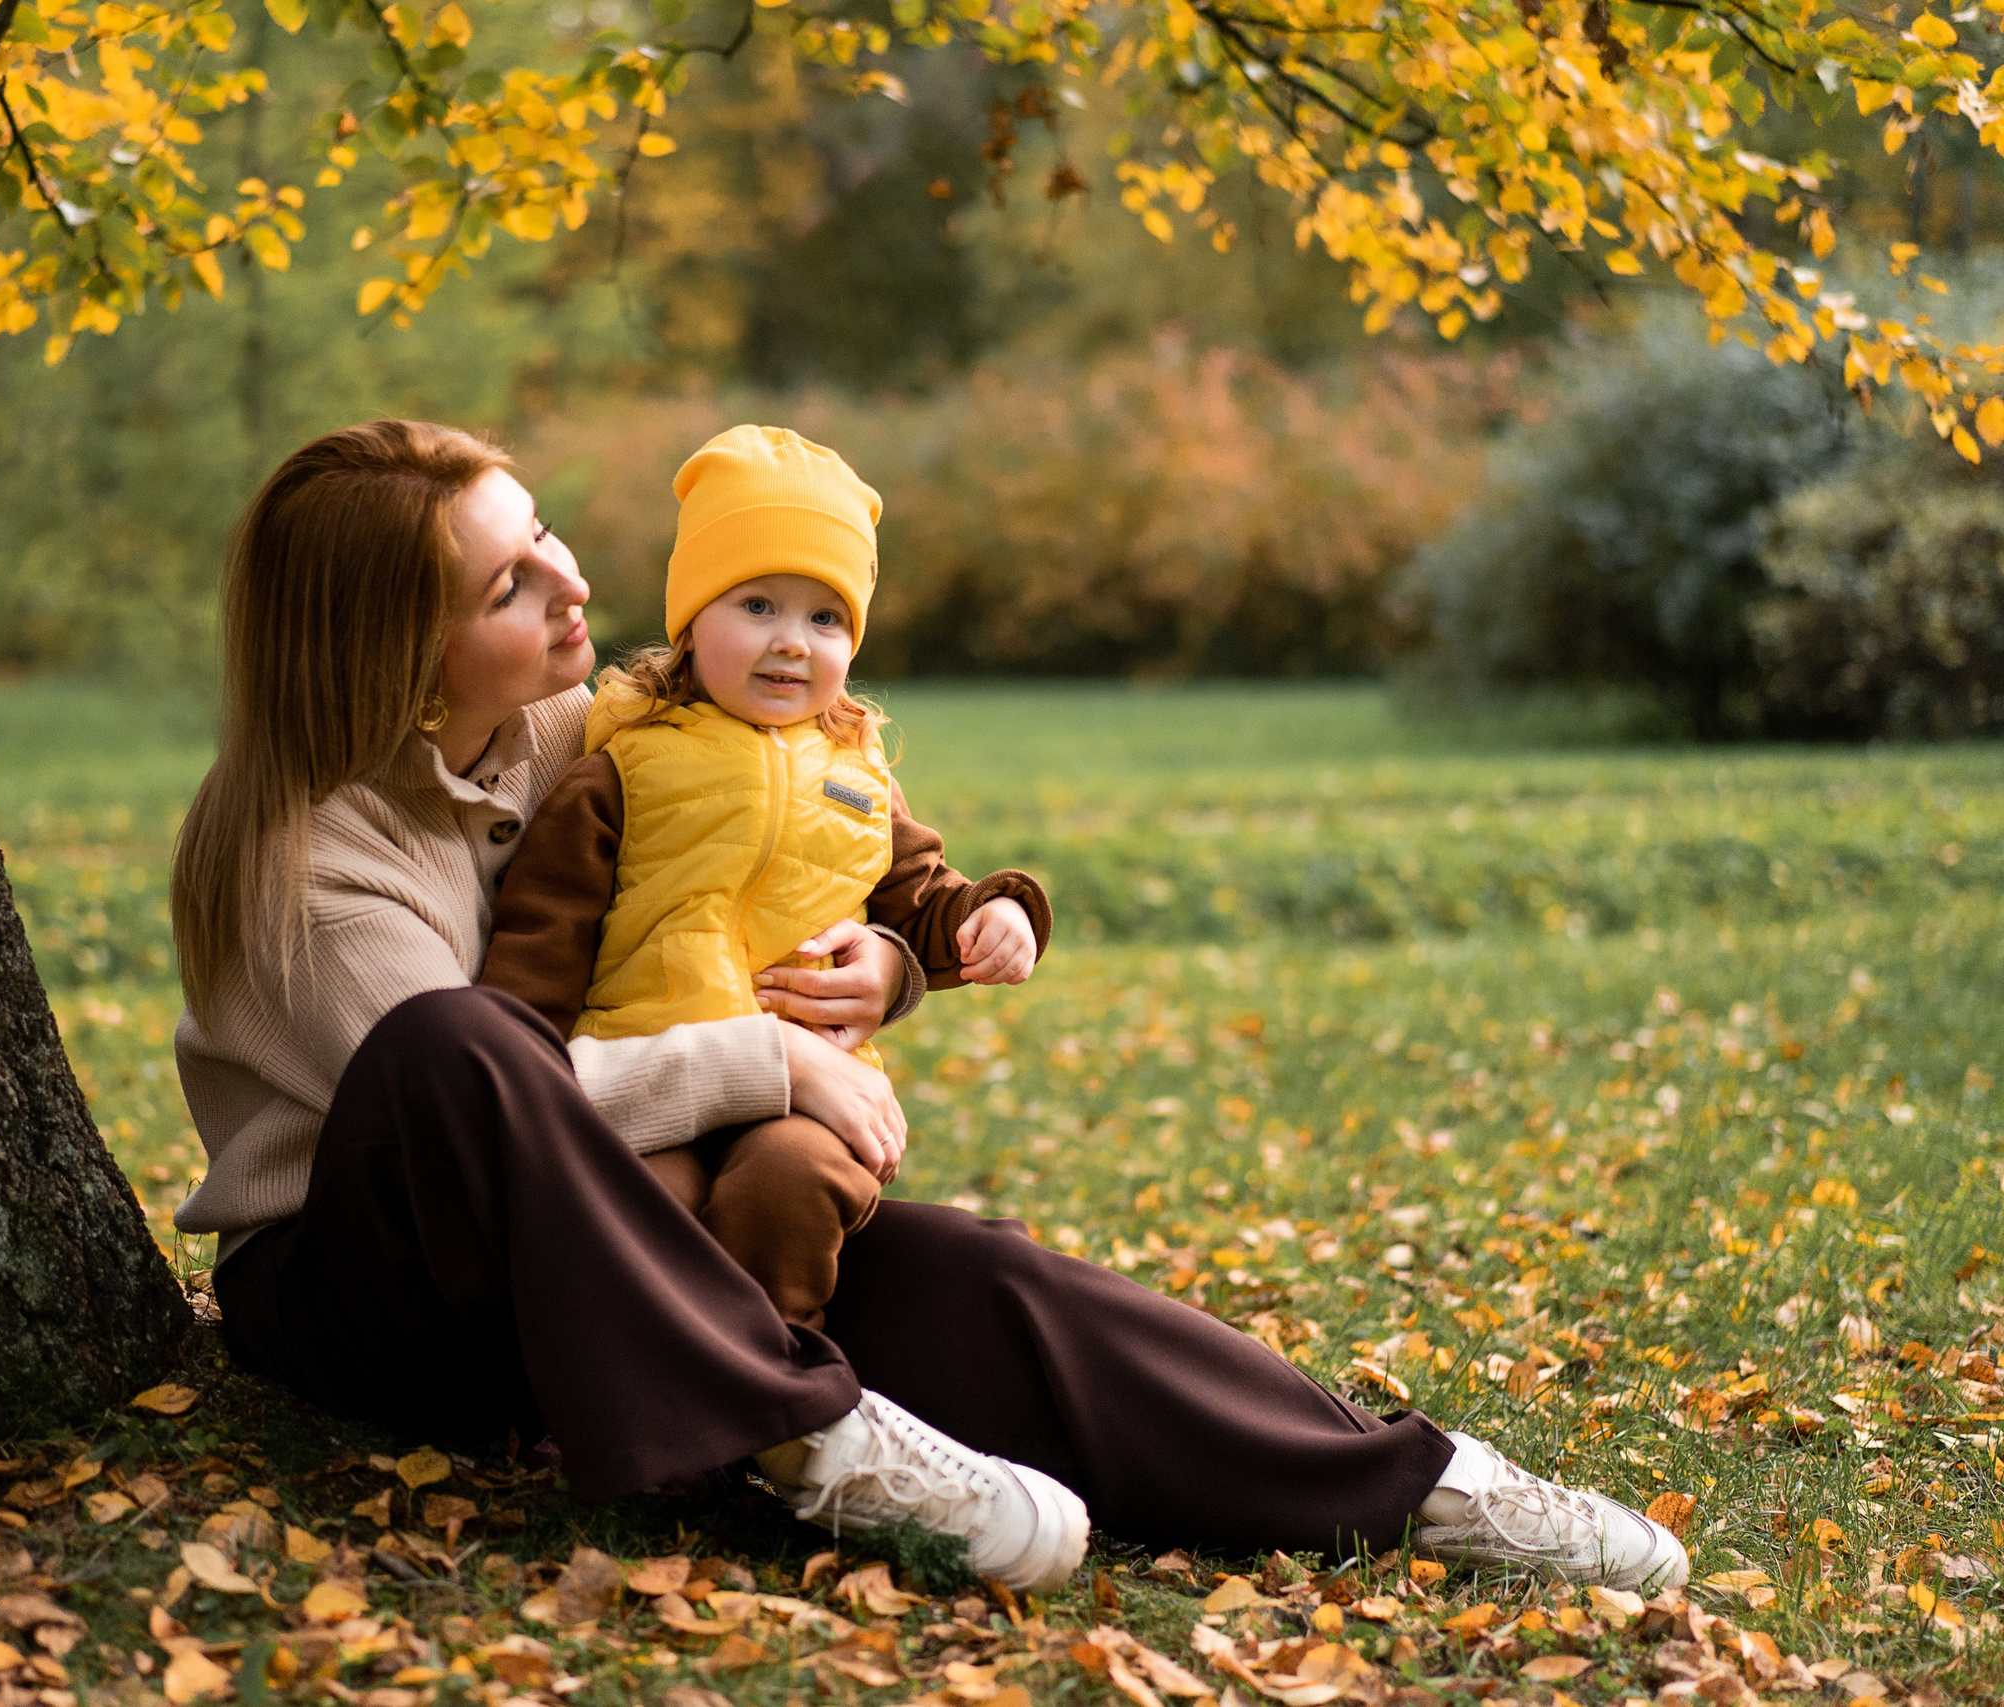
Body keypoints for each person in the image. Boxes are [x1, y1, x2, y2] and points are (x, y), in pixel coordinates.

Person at [167, 419, 1689, 1596]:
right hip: (384, 1291)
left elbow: (782, 833)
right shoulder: (305, 861)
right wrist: (763, 1056)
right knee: (452, 1041)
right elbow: (493, 1111)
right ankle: (804, 1433)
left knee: (968, 1273)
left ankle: (1408, 1482)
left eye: (545, 528)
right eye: (510, 582)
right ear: (393, 654)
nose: (573, 579)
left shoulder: (581, 718)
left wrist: (889, 961)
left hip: (618, 1228)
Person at [478, 425, 1048, 1331]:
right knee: (633, 1215)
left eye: (825, 618)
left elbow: (922, 897)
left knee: (787, 1188)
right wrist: (517, 1067)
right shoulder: (624, 766)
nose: (792, 642)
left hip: (810, 1087)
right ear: (692, 618)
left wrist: (997, 912)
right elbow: (544, 937)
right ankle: (629, 1392)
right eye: (757, 605)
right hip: (646, 1072)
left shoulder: (863, 779)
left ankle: (768, 1383)